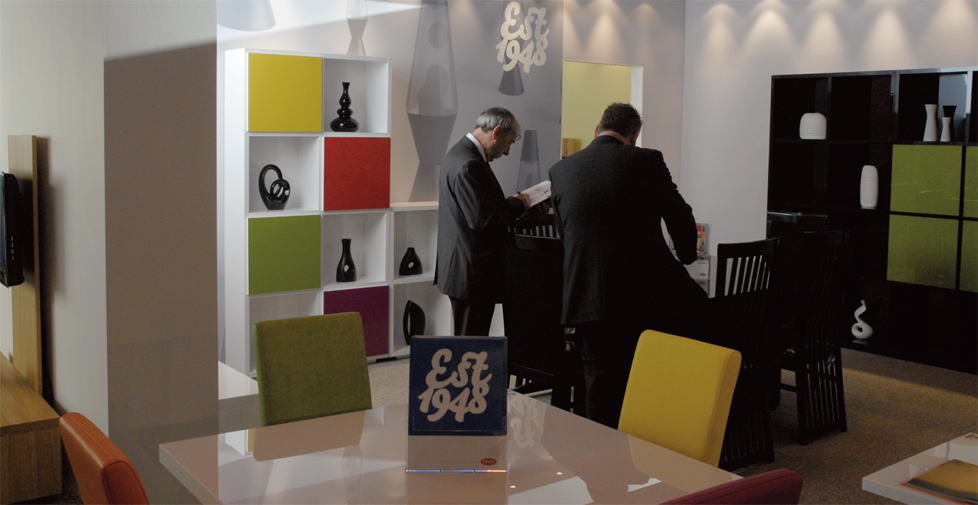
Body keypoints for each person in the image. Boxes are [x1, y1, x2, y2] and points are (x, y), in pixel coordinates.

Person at [548, 102, 706, 428]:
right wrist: (687, 256)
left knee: (600, 378)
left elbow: (567, 235)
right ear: (633, 135)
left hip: (586, 299)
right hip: (644, 297)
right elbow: (679, 215)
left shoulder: (561, 170)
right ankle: (676, 427)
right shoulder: (646, 160)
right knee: (697, 321)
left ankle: (601, 448)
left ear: (597, 130)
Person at [435, 107, 531, 336]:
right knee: (472, 345)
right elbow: (483, 220)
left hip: (464, 271)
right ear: (496, 132)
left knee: (470, 342)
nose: (507, 152)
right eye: (509, 143)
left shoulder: (460, 153)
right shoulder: (469, 163)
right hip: (471, 275)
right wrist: (519, 203)